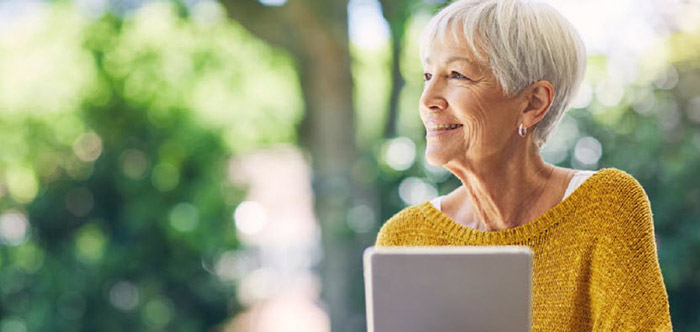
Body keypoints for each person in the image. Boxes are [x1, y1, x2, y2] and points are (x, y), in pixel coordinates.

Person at [373, 0, 673, 331]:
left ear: (533, 103)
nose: (428, 98)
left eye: (456, 74)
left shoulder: (606, 206)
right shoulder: (405, 238)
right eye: (428, 74)